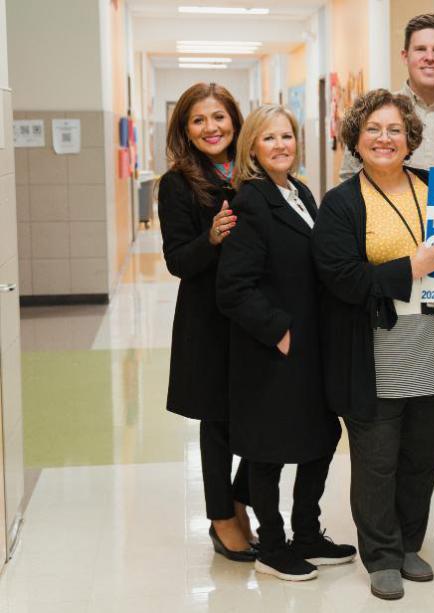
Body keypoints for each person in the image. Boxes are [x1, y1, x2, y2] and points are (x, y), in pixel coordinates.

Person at [313, 89, 434, 601]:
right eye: (373, 129)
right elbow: (341, 278)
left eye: (395, 129)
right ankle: (380, 555)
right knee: (377, 462)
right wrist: (412, 268)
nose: (385, 138)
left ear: (410, 137)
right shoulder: (340, 204)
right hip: (376, 357)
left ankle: (407, 545)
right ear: (356, 139)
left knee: (422, 459)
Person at [340, 12, 434, 546]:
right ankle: (387, 536)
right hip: (390, 287)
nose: (429, 56)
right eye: (419, 48)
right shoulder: (381, 111)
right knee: (393, 416)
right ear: (405, 56)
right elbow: (351, 198)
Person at [217, 105, 356, 582]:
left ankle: (307, 533)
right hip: (273, 349)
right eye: (269, 138)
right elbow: (233, 287)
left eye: (287, 136)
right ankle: (272, 546)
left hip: (310, 346)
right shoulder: (250, 202)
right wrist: (279, 331)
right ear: (252, 147)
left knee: (320, 438)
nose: (281, 145)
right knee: (269, 449)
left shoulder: (299, 192)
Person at [159, 82, 256, 563]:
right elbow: (177, 260)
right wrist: (212, 238)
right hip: (209, 319)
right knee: (218, 422)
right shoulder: (177, 184)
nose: (211, 128)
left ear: (235, 120)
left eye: (219, 117)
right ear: (185, 129)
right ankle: (221, 517)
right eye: (198, 120)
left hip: (256, 315)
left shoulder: (255, 172)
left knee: (265, 413)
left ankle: (240, 499)